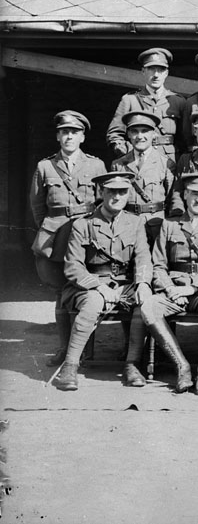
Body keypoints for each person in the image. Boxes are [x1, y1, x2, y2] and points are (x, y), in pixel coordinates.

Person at [129, 173, 198, 395]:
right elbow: (158, 264)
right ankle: (182, 366)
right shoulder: (169, 224)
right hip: (174, 289)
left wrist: (194, 288)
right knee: (149, 307)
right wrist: (169, 289)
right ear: (185, 195)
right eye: (194, 194)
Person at [52, 172, 153, 391]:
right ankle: (70, 368)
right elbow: (73, 266)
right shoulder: (83, 224)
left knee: (144, 303)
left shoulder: (135, 222)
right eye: (111, 192)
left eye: (122, 192)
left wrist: (143, 283)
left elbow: (143, 256)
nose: (117, 197)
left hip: (125, 283)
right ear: (102, 192)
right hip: (89, 285)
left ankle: (132, 364)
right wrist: (99, 286)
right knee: (94, 302)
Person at [29, 110, 106, 366]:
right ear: (58, 137)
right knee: (61, 291)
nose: (69, 136)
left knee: (88, 287)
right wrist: (50, 229)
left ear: (82, 137)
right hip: (56, 236)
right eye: (64, 132)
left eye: (74, 132)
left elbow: (101, 201)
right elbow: (37, 206)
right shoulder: (45, 166)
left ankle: (87, 351)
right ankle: (64, 347)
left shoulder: (95, 165)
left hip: (86, 235)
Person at [107, 48, 185, 160]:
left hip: (170, 162)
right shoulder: (130, 100)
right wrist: (130, 152)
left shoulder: (178, 101)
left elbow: (185, 139)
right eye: (151, 69)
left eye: (160, 70)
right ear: (143, 71)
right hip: (139, 160)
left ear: (166, 73)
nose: (156, 75)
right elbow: (114, 135)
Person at [112, 111, 174, 244]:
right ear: (128, 134)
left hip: (156, 226)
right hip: (127, 226)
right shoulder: (118, 165)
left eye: (145, 131)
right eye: (134, 131)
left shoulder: (166, 164)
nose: (140, 136)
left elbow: (172, 200)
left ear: (154, 134)